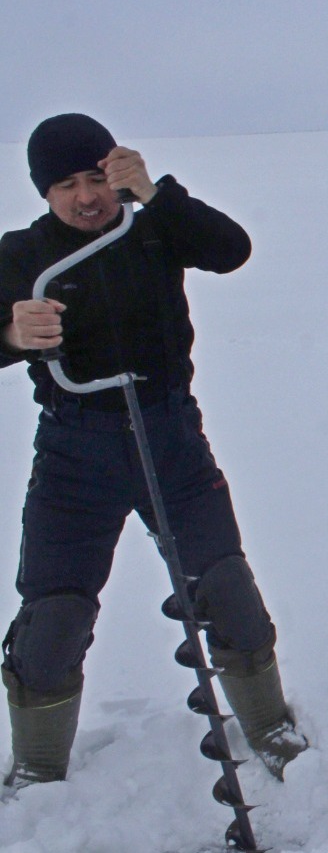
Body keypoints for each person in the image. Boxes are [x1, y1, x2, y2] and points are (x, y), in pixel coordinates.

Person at [0, 114, 306, 789]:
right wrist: (13, 334)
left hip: (170, 435)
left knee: (226, 587)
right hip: (75, 451)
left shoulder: (153, 226)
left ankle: (270, 727)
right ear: (44, 193)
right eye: (67, 184)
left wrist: (157, 192)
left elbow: (231, 249)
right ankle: (37, 767)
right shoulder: (23, 255)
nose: (88, 196)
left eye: (97, 177)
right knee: (53, 616)